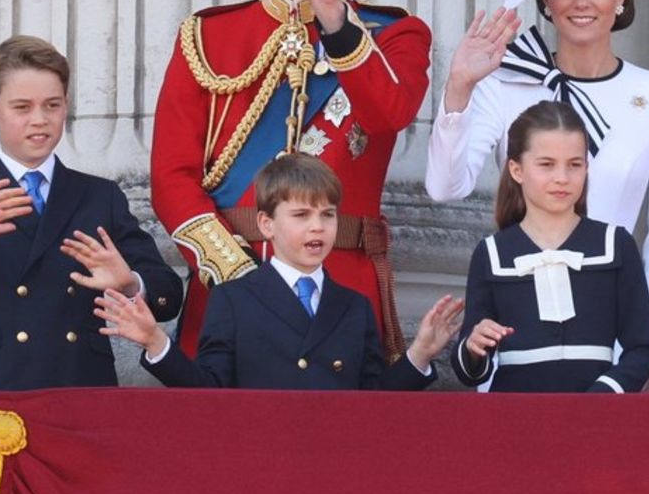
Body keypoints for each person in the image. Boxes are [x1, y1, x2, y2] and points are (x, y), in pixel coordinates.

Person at [151, 0, 432, 361]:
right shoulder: (206, 36)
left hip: (340, 289)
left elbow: (390, 113)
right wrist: (236, 276)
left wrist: (332, 15)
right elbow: (172, 176)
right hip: (228, 290)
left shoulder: (394, 36)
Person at [425, 0, 649, 389]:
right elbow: (446, 187)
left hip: (614, 343)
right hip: (516, 333)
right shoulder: (503, 82)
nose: (581, 0)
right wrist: (460, 88)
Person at [0, 36, 183, 388]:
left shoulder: (100, 196)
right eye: (22, 107)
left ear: (66, 105)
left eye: (51, 105)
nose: (39, 120)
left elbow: (168, 294)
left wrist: (129, 282)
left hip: (78, 380)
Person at [101, 154, 463, 390]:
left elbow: (372, 402)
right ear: (267, 224)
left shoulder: (354, 306)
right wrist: (155, 342)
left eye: (327, 215)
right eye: (301, 216)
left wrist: (420, 354)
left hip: (335, 467)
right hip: (260, 465)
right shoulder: (234, 299)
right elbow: (208, 391)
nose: (317, 228)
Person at [452, 101, 649, 393]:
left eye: (574, 165)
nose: (562, 178)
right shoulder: (492, 253)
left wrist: (603, 396)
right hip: (516, 420)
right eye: (546, 164)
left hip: (596, 421)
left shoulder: (616, 244)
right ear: (517, 169)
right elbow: (469, 372)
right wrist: (473, 347)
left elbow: (643, 349)